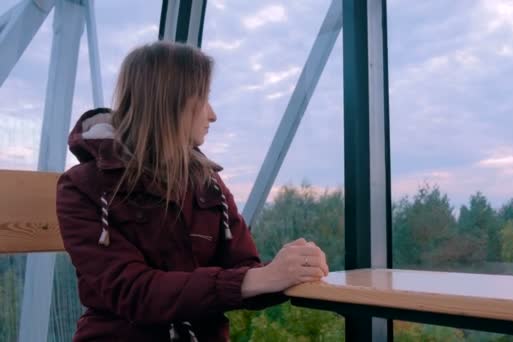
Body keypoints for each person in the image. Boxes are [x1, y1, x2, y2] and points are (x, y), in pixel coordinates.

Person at [56, 41, 329, 341]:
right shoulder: (83, 188)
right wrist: (260, 278)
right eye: (204, 98)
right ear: (170, 102)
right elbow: (134, 292)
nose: (212, 115)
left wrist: (289, 267)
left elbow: (244, 270)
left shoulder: (207, 182)